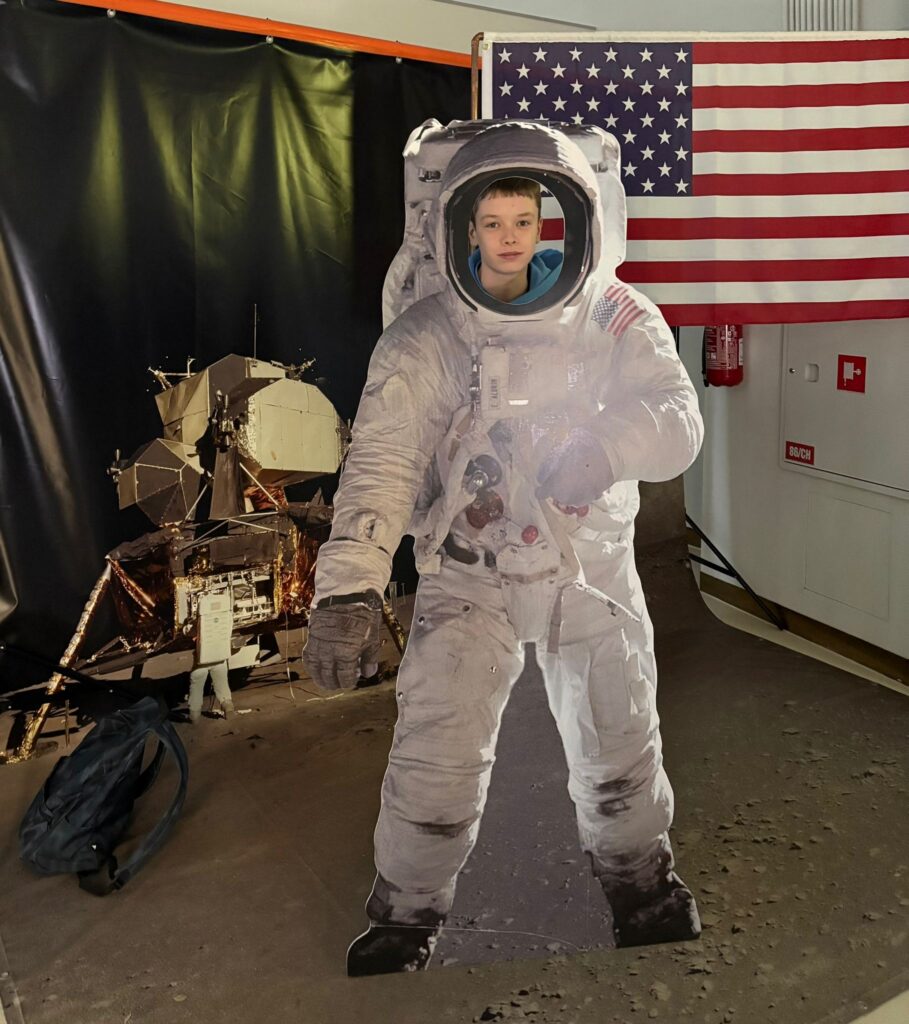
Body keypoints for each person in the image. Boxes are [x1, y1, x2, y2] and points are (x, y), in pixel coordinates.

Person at [303, 120, 705, 976]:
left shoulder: (614, 317)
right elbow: (382, 464)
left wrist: (605, 450)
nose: (510, 237)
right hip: (469, 574)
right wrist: (347, 589)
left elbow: (677, 419)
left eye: (525, 220)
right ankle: (407, 912)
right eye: (491, 223)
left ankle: (639, 883)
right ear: (461, 227)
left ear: (560, 219)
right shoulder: (429, 335)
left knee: (617, 736)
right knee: (437, 749)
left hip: (584, 568)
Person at [186, 591, 235, 723]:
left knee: (196, 685)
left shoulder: (200, 621)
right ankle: (228, 707)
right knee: (222, 683)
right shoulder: (227, 616)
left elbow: (187, 631)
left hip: (202, 659)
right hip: (220, 657)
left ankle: (194, 714)